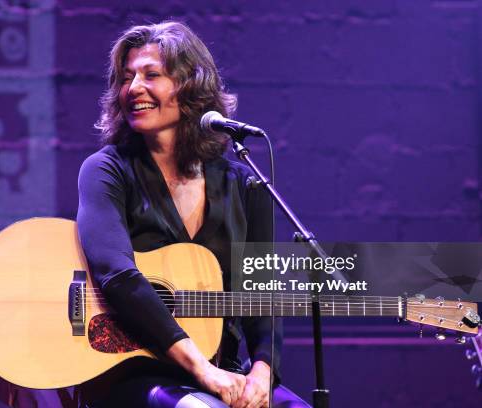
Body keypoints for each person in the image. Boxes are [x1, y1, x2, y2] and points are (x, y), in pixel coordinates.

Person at [76, 21, 310, 408]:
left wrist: (263, 372)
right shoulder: (107, 169)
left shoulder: (244, 182)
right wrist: (201, 370)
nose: (133, 88)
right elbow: (116, 275)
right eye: (126, 77)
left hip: (224, 365)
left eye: (152, 75)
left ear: (191, 88)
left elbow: (261, 292)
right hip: (136, 368)